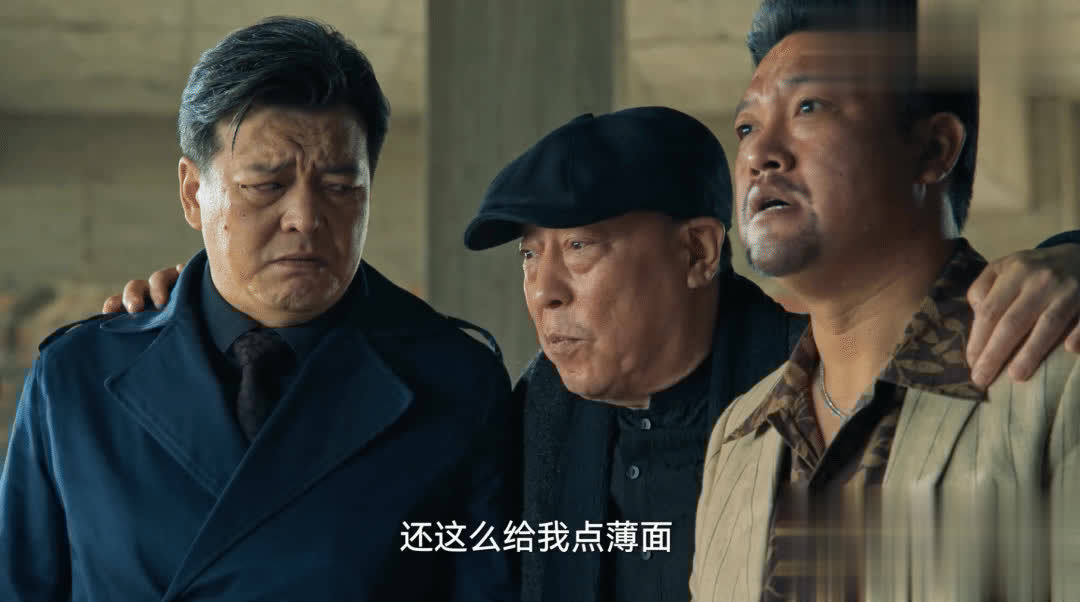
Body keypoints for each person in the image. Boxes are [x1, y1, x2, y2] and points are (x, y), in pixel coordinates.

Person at [110, 104, 1080, 601]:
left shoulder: (820, 377)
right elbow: (420, 533)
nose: (543, 290)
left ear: (698, 252)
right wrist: (193, 322)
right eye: (529, 256)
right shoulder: (540, 410)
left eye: (579, 247)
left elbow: (952, 323)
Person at [0, 17, 517, 601]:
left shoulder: (454, 384)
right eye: (266, 186)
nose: (306, 218)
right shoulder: (77, 378)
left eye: (341, 187)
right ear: (193, 193)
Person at [690, 1, 1080, 600]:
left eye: (808, 107)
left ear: (933, 150)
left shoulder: (1057, 382)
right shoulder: (736, 441)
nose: (758, 154)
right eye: (745, 127)